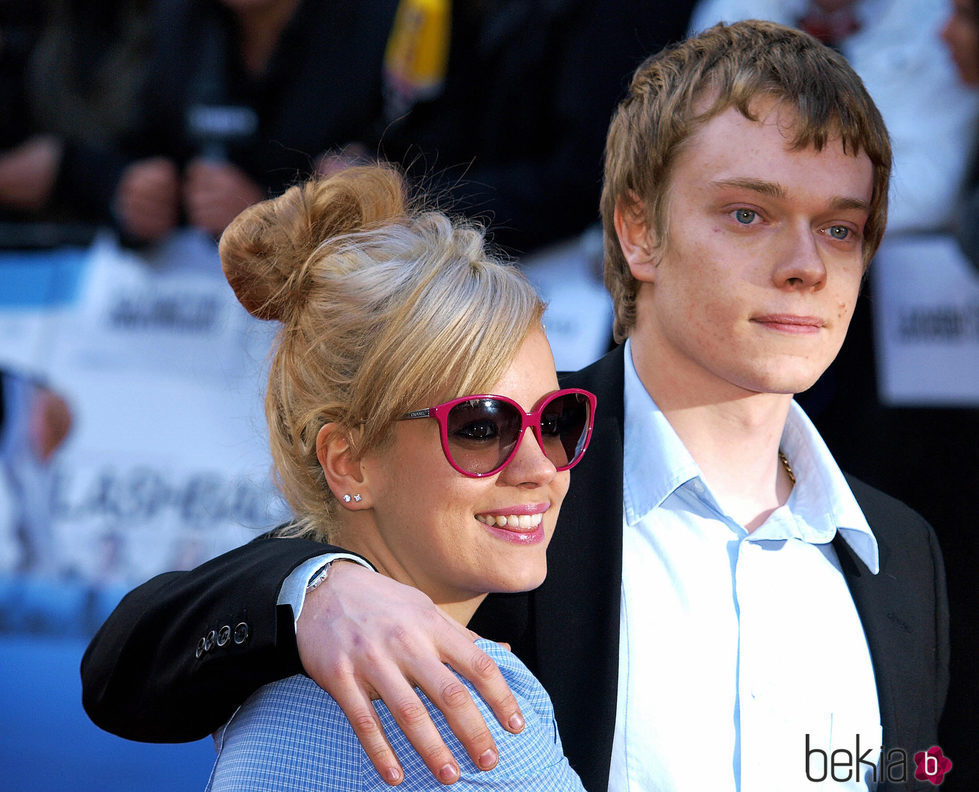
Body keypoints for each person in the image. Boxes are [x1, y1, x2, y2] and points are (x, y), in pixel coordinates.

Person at [82, 21, 948, 791]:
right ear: (637, 230)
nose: (806, 265)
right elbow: (132, 661)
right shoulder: (505, 474)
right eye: (748, 214)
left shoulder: (902, 553)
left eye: (840, 227)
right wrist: (317, 590)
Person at [186, 164, 595, 789]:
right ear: (350, 461)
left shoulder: (267, 691)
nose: (541, 467)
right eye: (482, 427)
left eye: (555, 417)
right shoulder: (468, 727)